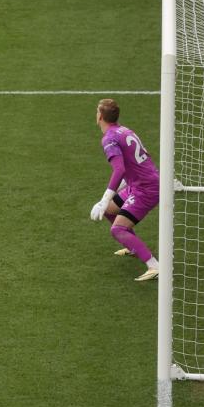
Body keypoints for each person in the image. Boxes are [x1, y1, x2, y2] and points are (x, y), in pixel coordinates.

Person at [89, 99, 161, 282]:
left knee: (118, 229)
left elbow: (119, 169)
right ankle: (133, 246)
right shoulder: (123, 130)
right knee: (109, 210)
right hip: (140, 183)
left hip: (145, 188)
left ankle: (154, 266)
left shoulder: (109, 138)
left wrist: (104, 198)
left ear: (100, 117)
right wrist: (105, 201)